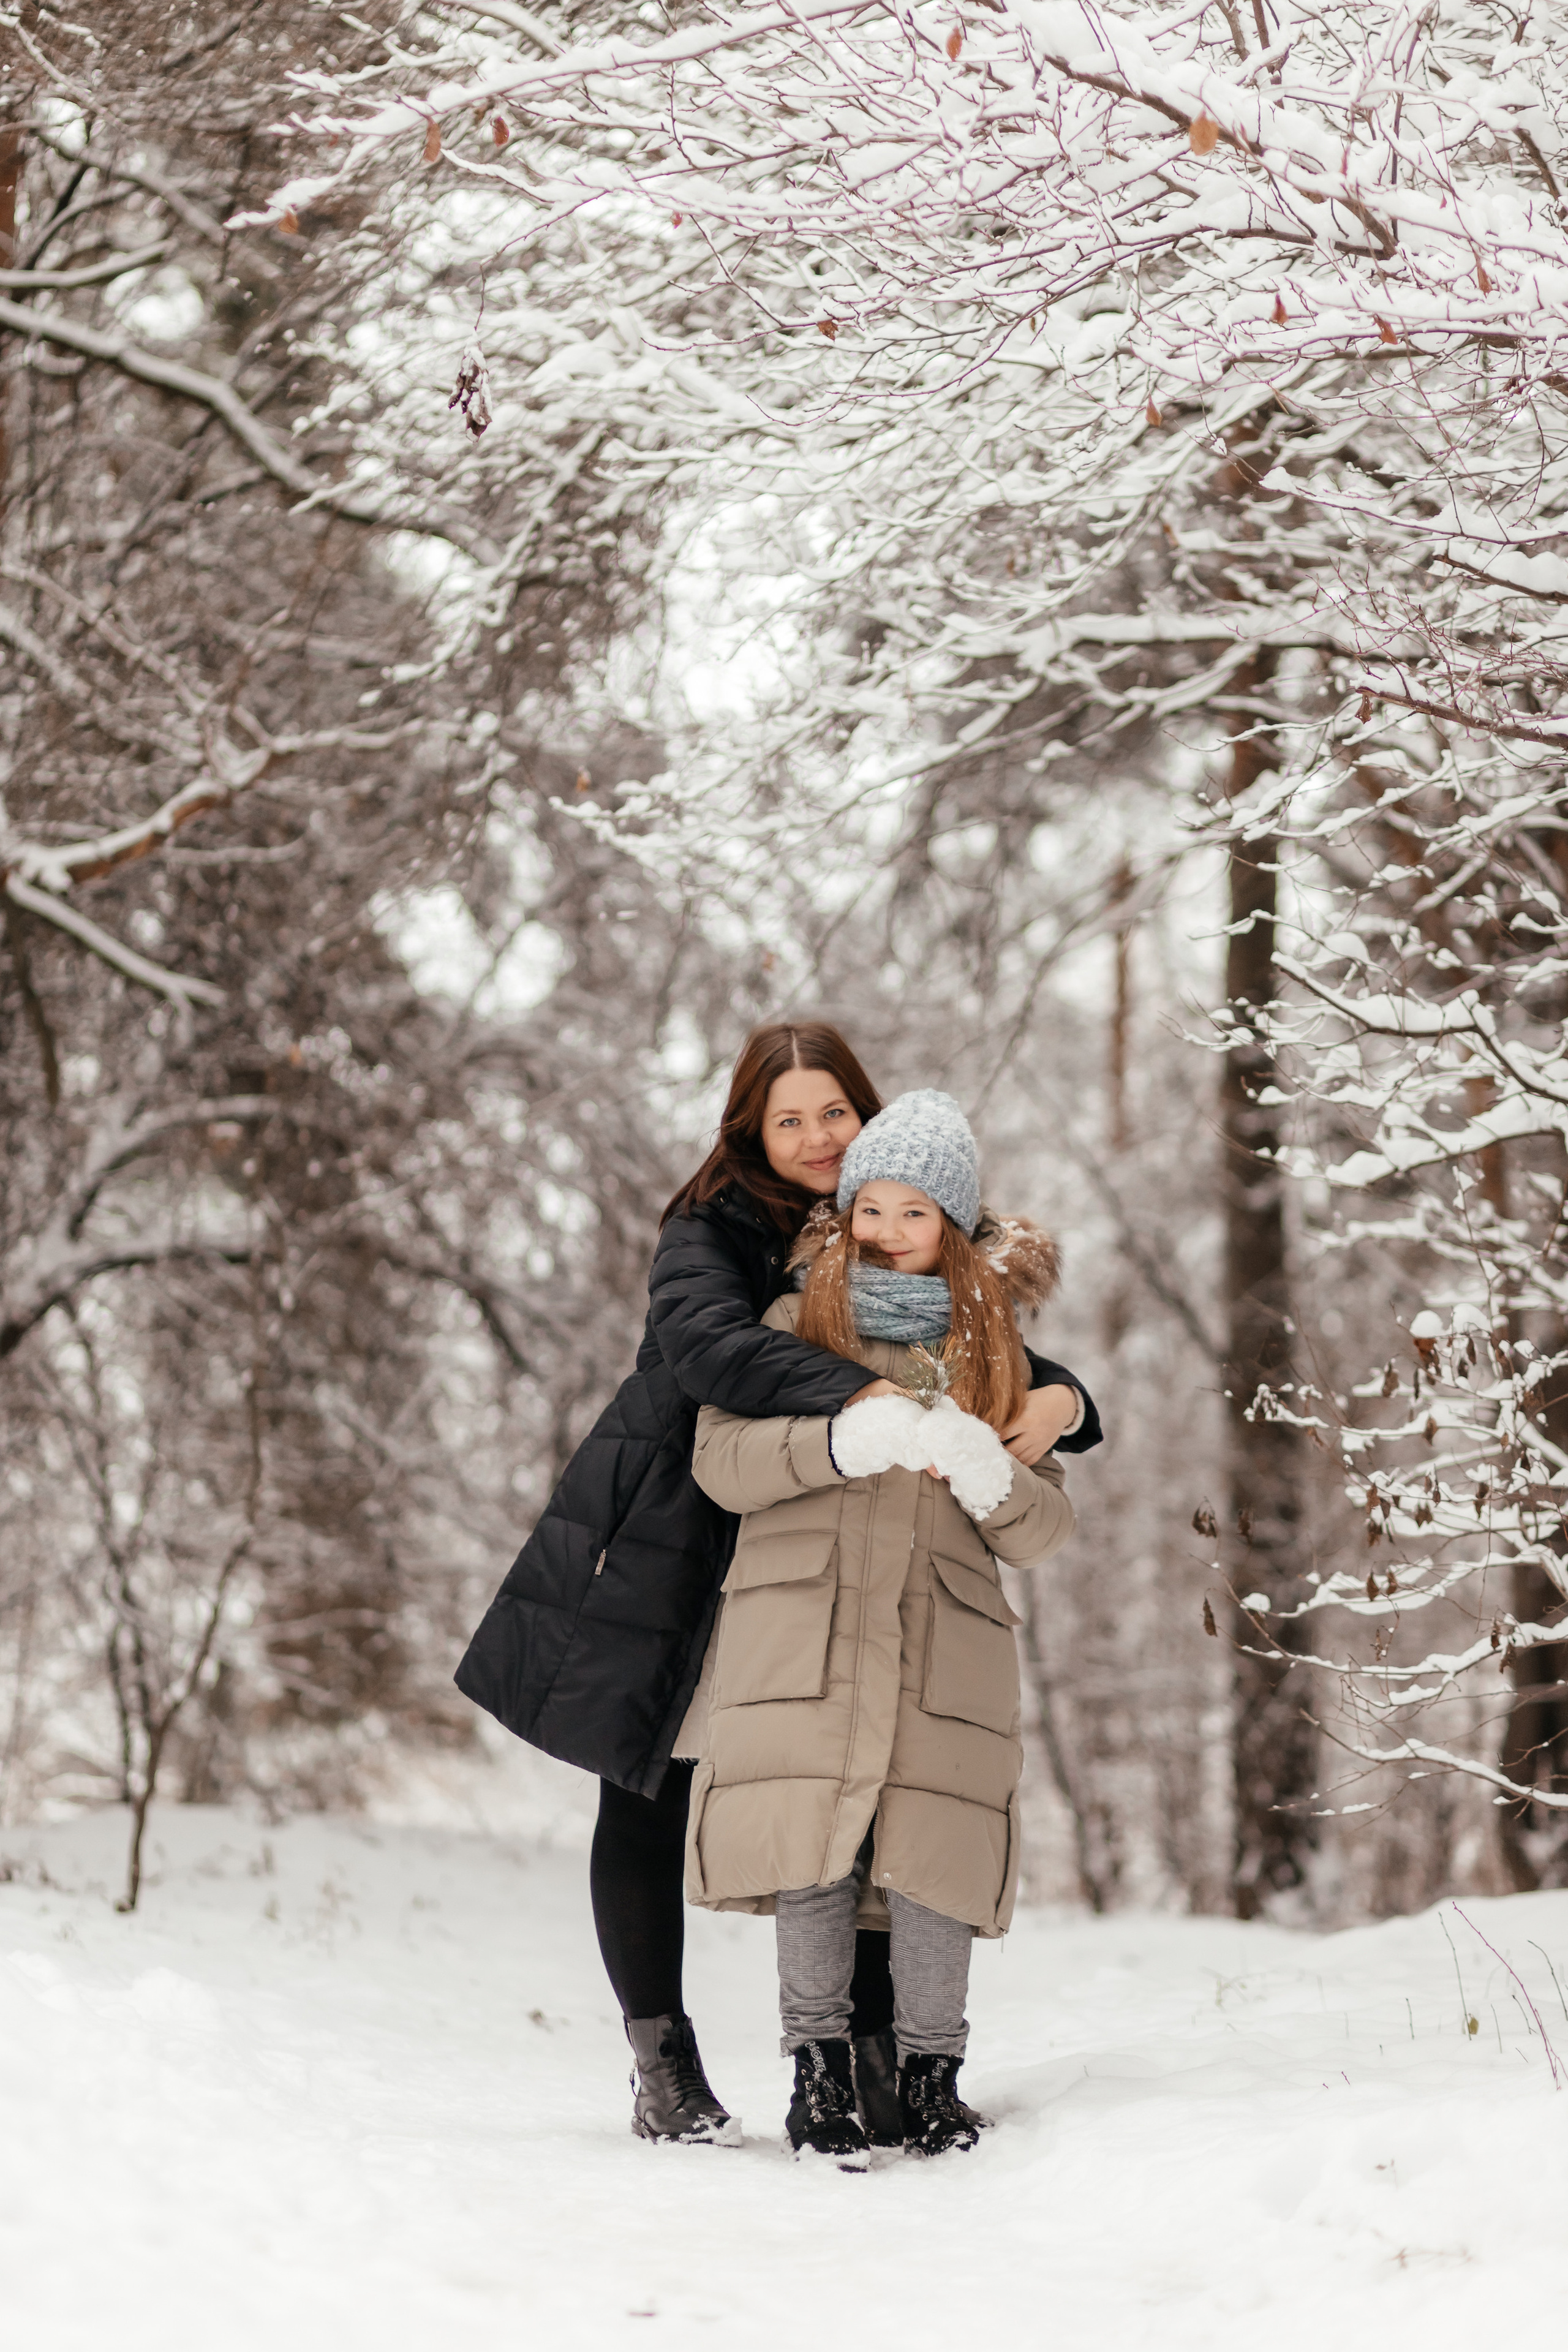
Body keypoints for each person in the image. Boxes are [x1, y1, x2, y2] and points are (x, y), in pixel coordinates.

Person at [455, 1025, 1101, 2145]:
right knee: (651, 1782)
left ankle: (866, 2052)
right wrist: (875, 1397)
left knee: (856, 1771)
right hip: (684, 1528)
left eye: (833, 1113)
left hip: (826, 1542)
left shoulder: (887, 1213)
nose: (812, 1137)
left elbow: (974, 1329)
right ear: (750, 1126)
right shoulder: (711, 1229)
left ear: (868, 1116)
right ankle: (662, 2058)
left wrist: (1069, 1401)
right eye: (786, 1117)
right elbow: (712, 1351)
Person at [684, 1090, 1075, 2166]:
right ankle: (817, 2079)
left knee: (929, 1862)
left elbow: (1044, 1530)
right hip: (804, 1628)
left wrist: (992, 1473)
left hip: (941, 1645)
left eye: (917, 1215)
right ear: (847, 1212)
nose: (891, 1233)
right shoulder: (789, 1327)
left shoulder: (996, 1352)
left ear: (951, 1225)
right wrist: (836, 1448)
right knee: (814, 1855)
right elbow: (720, 1464)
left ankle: (933, 2078)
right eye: (874, 1209)